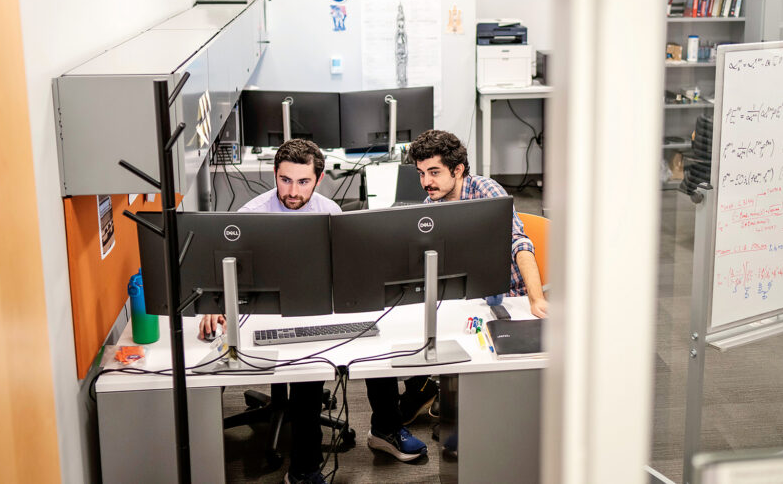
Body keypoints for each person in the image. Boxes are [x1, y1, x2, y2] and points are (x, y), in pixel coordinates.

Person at [197, 139, 427, 484]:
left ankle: (385, 430)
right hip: (266, 314)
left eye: (303, 182)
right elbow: (224, 271)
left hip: (319, 305)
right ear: (275, 174)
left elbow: (345, 270)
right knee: (309, 366)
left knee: (375, 336)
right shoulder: (251, 216)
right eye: (285, 180)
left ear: (317, 179)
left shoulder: (329, 212)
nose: (293, 190)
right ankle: (303, 468)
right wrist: (215, 305)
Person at [407, 129, 548, 318]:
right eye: (421, 173)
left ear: (457, 170)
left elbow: (519, 244)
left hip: (508, 297)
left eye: (434, 172)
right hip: (464, 300)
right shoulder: (431, 205)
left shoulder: (486, 192)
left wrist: (536, 299)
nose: (426, 183)